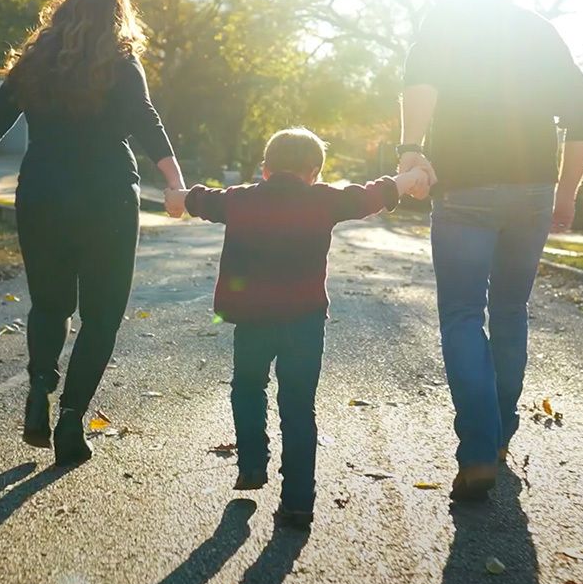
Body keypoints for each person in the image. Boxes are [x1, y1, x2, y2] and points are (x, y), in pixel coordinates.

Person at [0, 0, 186, 466]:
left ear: (62, 12)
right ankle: (70, 419)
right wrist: (175, 184)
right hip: (107, 197)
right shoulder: (122, 62)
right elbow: (147, 120)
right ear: (118, 17)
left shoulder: (35, 63)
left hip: (42, 194)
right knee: (101, 316)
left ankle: (39, 388)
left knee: (50, 305)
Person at [165, 128, 428, 529]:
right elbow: (370, 195)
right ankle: (299, 502)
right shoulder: (324, 200)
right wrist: (409, 179)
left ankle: (252, 462)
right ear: (315, 173)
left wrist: (177, 196)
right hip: (304, 322)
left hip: (252, 320)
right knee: (298, 406)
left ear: (265, 169)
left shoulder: (240, 200)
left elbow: (200, 200)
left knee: (248, 387)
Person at [399, 0, 583, 501]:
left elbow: (419, 81)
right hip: (532, 189)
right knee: (510, 310)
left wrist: (412, 150)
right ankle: (501, 436)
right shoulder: (537, 29)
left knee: (463, 314)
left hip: (464, 186)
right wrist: (566, 193)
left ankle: (479, 450)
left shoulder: (444, 15)